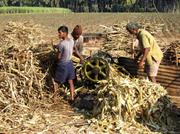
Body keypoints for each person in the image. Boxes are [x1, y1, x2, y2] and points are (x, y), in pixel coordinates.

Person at [53, 25, 84, 101]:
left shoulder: (62, 44)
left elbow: (59, 57)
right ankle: (72, 97)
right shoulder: (71, 41)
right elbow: (75, 50)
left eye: (60, 33)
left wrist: (55, 59)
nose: (59, 34)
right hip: (70, 64)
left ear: (64, 33)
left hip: (63, 64)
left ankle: (55, 97)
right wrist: (81, 57)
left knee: (56, 81)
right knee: (71, 81)